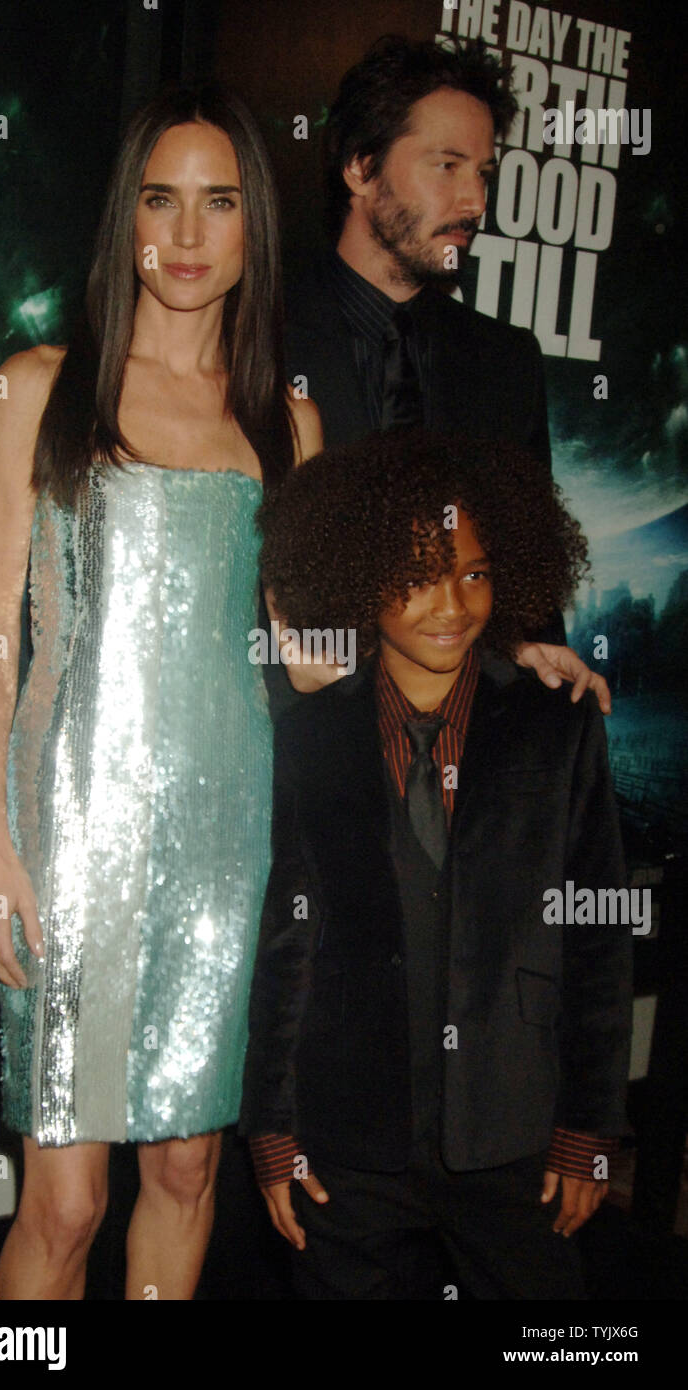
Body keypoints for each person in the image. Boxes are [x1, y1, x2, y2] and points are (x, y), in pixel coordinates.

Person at [0, 82, 321, 1301]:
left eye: (218, 203)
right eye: (160, 200)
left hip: (224, 839)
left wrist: (495, 654)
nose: (187, 231)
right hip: (69, 831)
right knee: (63, 1203)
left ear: (251, 228)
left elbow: (304, 650)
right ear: (126, 221)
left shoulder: (284, 419)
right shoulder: (38, 386)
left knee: (182, 1172)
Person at [240, 429, 632, 1299]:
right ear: (354, 577)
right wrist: (272, 1128)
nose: (450, 602)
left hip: (518, 1138)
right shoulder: (309, 739)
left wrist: (587, 1131)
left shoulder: (555, 724)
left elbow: (599, 943)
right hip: (348, 1148)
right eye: (416, 575)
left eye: (474, 573)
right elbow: (285, 945)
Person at [283, 34, 577, 670]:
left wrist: (540, 666)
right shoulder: (255, 335)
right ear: (361, 167)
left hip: (458, 751)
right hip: (282, 749)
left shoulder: (507, 363)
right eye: (447, 166)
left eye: (482, 174)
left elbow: (526, 591)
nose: (474, 203)